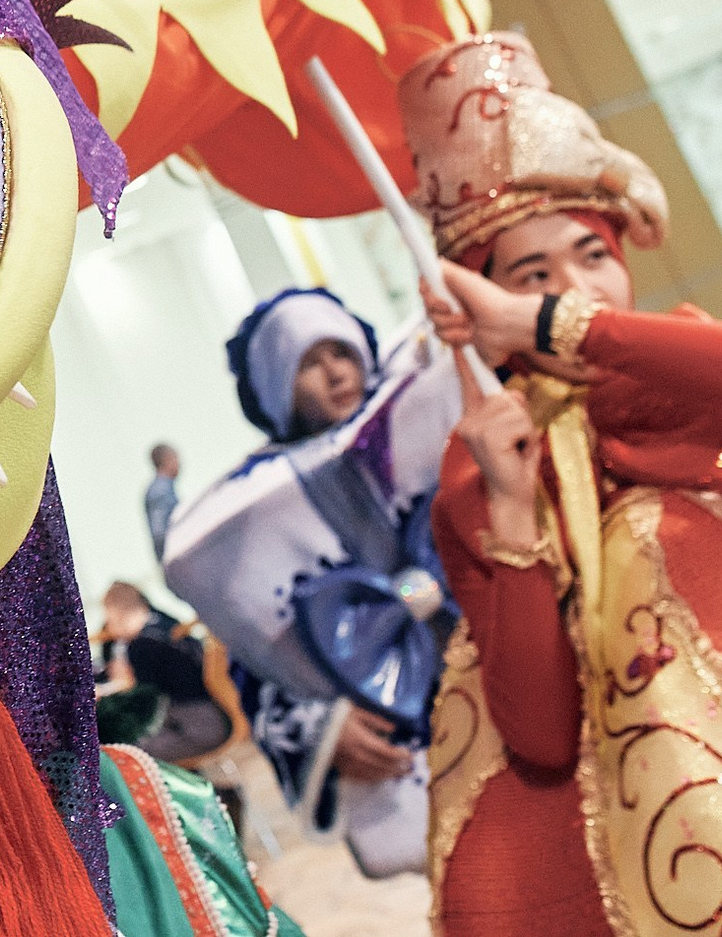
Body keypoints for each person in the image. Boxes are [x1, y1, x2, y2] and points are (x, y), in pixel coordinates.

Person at [405, 32, 722, 935]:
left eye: (591, 255)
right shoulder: (480, 467)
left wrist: (557, 322)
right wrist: (516, 510)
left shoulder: (703, 362)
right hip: (709, 862)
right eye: (533, 271)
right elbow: (540, 734)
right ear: (482, 303)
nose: (579, 285)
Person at [163, 287, 461, 877]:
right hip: (409, 743)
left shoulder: (421, 406)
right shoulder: (246, 519)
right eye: (308, 362)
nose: (335, 372)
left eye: (341, 351)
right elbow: (260, 653)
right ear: (275, 386)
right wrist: (325, 731)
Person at [94, 583, 233, 762]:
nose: (109, 628)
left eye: (111, 620)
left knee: (127, 757)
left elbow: (136, 694)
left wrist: (105, 689)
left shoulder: (145, 645)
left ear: (120, 615)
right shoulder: (166, 624)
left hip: (199, 727)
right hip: (212, 716)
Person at [144, 444, 181, 559]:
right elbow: (159, 532)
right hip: (174, 556)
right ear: (167, 459)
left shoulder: (163, 488)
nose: (179, 463)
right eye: (176, 458)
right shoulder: (160, 490)